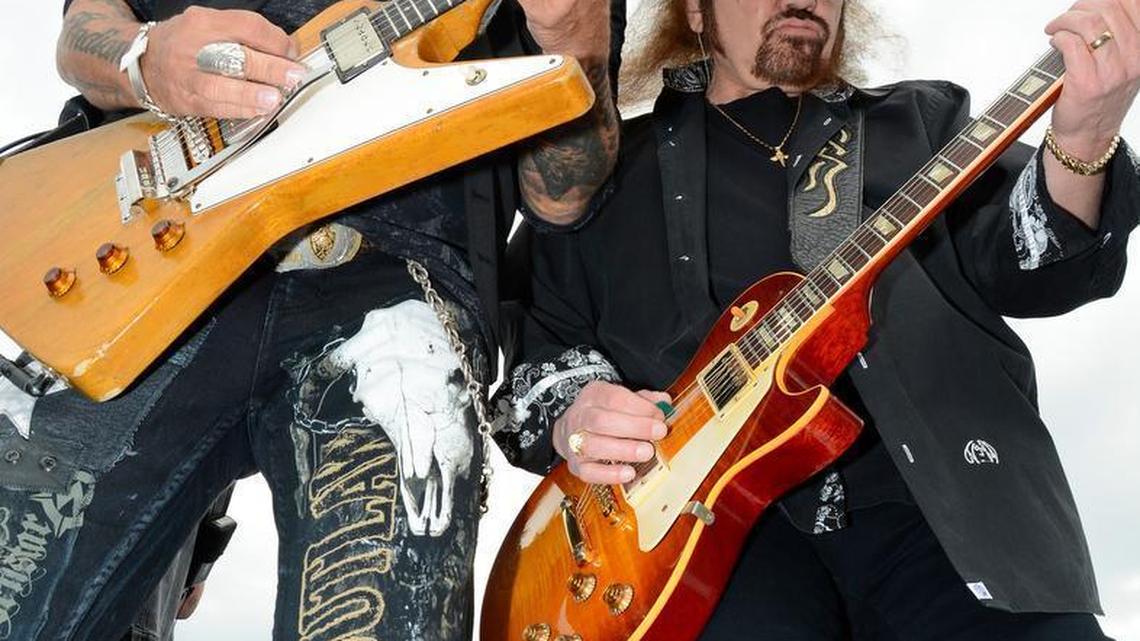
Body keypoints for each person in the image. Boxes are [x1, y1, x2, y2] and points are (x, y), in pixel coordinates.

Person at [494, 0, 1140, 638]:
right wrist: (578, 414)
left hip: (946, 517)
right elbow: (534, 351)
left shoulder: (921, 123)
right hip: (709, 547)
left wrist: (1081, 142)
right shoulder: (601, 177)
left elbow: (1034, 263)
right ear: (694, 12)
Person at [0, 0, 621, 637]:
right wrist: (143, 58)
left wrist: (572, 32)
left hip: (400, 305)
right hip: (152, 250)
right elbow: (83, 35)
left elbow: (565, 197)